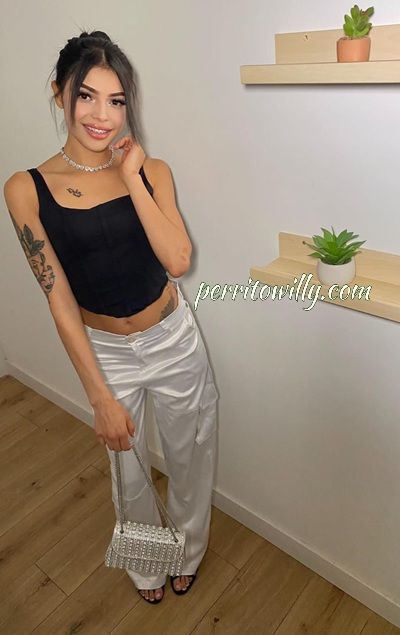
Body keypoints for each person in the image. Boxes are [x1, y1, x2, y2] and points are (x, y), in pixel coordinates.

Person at [3, 29, 218, 605]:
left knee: (191, 455)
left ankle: (188, 551)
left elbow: (177, 260)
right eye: (87, 96)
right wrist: (98, 395)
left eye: (116, 100)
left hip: (173, 337)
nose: (103, 116)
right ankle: (148, 563)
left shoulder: (152, 171)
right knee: (127, 471)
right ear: (60, 93)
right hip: (108, 352)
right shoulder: (26, 189)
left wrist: (130, 178)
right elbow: (58, 297)